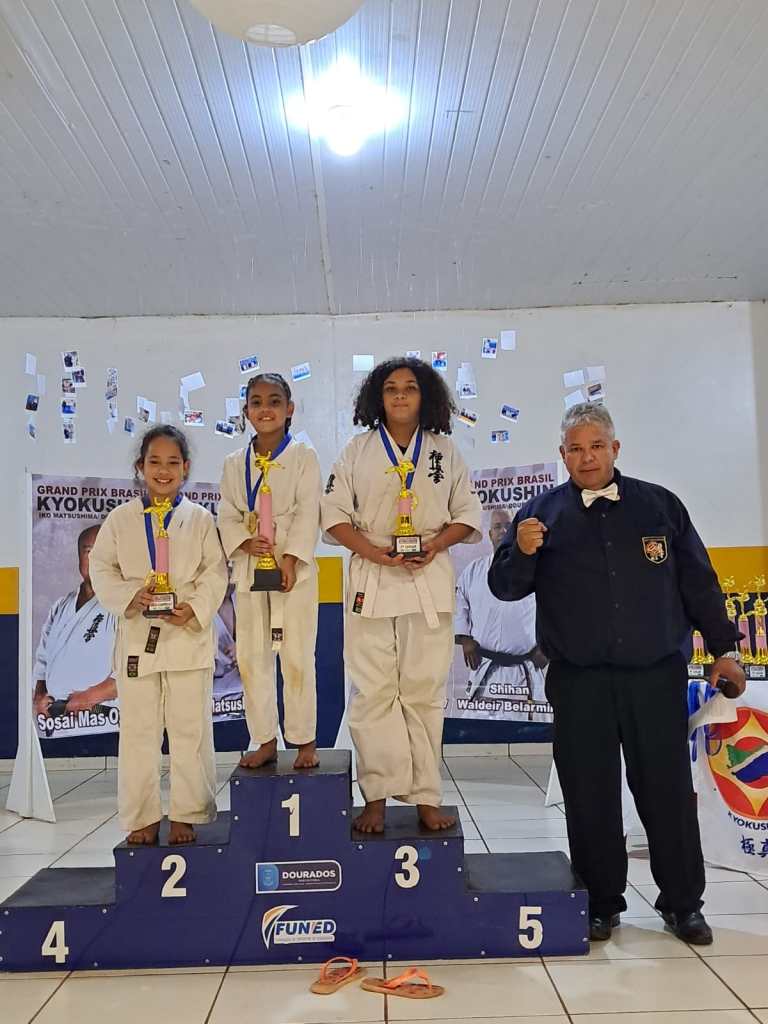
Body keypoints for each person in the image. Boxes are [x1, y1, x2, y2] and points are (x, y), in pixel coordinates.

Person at [488, 402, 745, 945]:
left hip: (655, 678)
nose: (587, 457)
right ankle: (601, 904)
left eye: (597, 446)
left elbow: (699, 583)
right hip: (579, 682)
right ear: (562, 455)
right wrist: (523, 553)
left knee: (668, 795)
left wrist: (725, 649)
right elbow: (504, 588)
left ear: (615, 448)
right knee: (589, 797)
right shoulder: (538, 515)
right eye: (576, 449)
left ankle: (683, 905)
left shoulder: (661, 507)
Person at [322, 357, 482, 833]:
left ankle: (425, 795)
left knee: (424, 692)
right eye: (390, 388)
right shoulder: (356, 451)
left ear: (423, 396)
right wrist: (372, 551)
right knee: (373, 693)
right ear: (378, 397)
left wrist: (435, 544)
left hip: (427, 577)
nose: (399, 395)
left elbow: (466, 514)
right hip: (372, 578)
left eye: (409, 388)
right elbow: (333, 516)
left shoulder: (444, 451)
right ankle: (375, 796)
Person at [90, 426, 228, 845]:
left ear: (185, 468)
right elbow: (101, 568)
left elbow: (214, 572)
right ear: (140, 467)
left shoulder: (200, 519)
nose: (163, 471)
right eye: (154, 462)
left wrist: (196, 607)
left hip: (186, 635)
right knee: (138, 732)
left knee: (190, 730)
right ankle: (142, 816)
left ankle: (188, 812)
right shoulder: (121, 519)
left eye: (172, 463)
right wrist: (131, 596)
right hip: (139, 637)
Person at [218, 373, 321, 770]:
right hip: (250, 570)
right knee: (251, 658)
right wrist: (245, 543)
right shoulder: (234, 464)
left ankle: (304, 740)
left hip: (294, 572)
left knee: (297, 657)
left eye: (274, 401)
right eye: (257, 402)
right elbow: (226, 514)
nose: (265, 409)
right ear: (246, 411)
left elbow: (309, 511)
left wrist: (290, 558)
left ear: (289, 409)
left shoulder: (304, 457)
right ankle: (263, 738)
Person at [454, 508, 548, 720]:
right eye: (497, 527)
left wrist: (547, 646)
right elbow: (459, 603)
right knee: (478, 732)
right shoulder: (473, 570)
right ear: (490, 534)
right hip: (485, 667)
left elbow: (554, 607)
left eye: (507, 526)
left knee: (529, 734)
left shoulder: (536, 569)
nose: (503, 531)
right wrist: (465, 638)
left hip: (525, 668)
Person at [33, 524, 117, 728]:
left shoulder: (123, 604)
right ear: (79, 557)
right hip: (54, 719)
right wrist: (40, 695)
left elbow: (134, 669)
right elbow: (43, 662)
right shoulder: (61, 606)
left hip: (101, 717)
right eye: (89, 552)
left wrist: (89, 697)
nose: (96, 559)